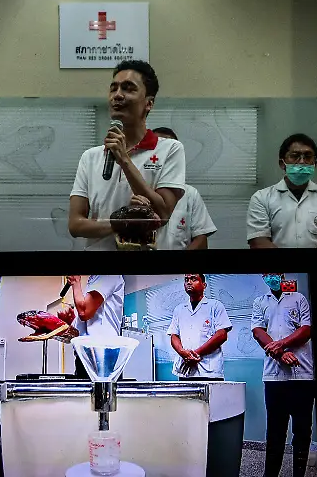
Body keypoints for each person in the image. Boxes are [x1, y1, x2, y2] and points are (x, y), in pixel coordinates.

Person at [69, 60, 186, 250]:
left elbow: (163, 213)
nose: (117, 95)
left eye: (128, 88)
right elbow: (75, 225)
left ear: (149, 103)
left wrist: (124, 159)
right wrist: (120, 224)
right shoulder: (90, 157)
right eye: (113, 89)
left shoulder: (170, 149)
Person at [246, 133, 317, 304]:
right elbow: (258, 242)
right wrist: (296, 265)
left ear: (315, 163)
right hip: (277, 282)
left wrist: (309, 265)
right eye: (295, 156)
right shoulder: (262, 198)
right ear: (282, 163)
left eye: (308, 156)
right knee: (280, 315)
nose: (302, 162)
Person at [251, 273, 314, 477]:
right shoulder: (260, 302)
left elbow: (306, 330)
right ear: (263, 277)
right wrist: (281, 354)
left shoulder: (298, 298)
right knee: (275, 431)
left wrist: (281, 344)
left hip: (302, 374)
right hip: (274, 376)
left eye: (275, 273)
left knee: (302, 430)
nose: (272, 277)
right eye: (268, 274)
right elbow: (258, 331)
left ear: (282, 275)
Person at [152, 127, 217, 250]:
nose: (163, 153)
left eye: (169, 148)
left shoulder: (190, 193)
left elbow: (201, 238)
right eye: (158, 147)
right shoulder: (135, 188)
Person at [167, 274, 233, 380]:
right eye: (186, 280)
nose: (189, 282)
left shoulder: (215, 306)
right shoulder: (179, 310)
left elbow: (221, 335)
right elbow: (174, 335)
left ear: (204, 285)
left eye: (194, 279)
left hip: (209, 371)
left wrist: (194, 354)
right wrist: (182, 352)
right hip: (185, 369)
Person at [65, 274, 125, 379]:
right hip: (86, 353)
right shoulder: (93, 281)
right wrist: (71, 321)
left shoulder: (108, 276)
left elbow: (84, 312)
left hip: (102, 353)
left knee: (101, 389)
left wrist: (75, 282)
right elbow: (86, 320)